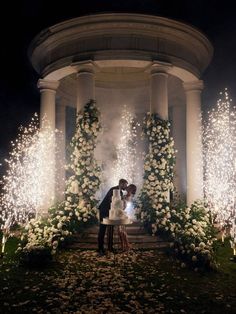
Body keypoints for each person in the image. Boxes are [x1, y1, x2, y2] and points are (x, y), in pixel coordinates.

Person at [97, 178, 128, 256]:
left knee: (110, 230)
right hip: (104, 211)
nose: (126, 187)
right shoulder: (113, 189)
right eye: (125, 185)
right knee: (102, 230)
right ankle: (100, 249)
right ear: (121, 184)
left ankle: (110, 248)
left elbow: (118, 206)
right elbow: (112, 201)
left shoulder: (120, 192)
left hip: (111, 213)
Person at [118, 184, 137, 251]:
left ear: (130, 189)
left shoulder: (129, 196)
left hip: (123, 214)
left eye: (128, 187)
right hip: (121, 213)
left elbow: (125, 205)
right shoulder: (126, 195)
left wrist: (122, 200)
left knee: (122, 231)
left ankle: (126, 245)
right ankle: (124, 245)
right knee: (120, 231)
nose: (127, 187)